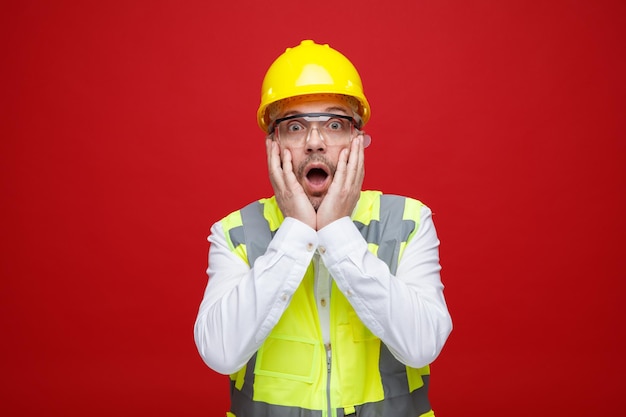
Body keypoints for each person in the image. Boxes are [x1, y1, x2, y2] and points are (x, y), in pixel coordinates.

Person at [194, 39, 452, 417]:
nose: (315, 142)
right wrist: (297, 229)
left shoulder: (409, 222)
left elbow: (422, 345)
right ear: (274, 144)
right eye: (295, 125)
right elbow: (219, 352)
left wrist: (337, 232)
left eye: (334, 124)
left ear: (358, 140)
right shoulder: (234, 234)